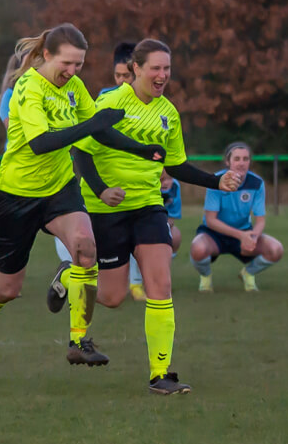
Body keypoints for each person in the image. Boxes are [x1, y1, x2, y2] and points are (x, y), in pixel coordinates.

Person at [0, 23, 164, 369]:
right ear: (46, 55)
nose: (72, 72)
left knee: (86, 247)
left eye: (79, 65)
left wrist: (142, 149)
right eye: (66, 64)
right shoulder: (28, 87)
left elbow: (98, 131)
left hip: (60, 188)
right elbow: (42, 144)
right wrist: (96, 123)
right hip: (18, 195)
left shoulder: (74, 87)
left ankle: (78, 341)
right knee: (8, 288)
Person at [72, 39, 242, 394]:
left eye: (167, 69)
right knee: (112, 297)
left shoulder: (168, 112)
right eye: (155, 68)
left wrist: (216, 181)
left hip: (149, 206)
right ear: (135, 69)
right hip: (106, 209)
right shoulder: (110, 103)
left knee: (160, 285)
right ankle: (70, 278)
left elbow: (175, 164)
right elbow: (81, 152)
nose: (162, 75)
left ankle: (160, 374)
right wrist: (102, 190)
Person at [0, 49, 75, 312]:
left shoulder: (66, 89)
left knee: (78, 237)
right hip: (21, 183)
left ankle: (65, 273)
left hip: (57, 179)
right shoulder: (15, 94)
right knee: (8, 287)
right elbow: (27, 133)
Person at [189, 142, 283, 292]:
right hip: (214, 234)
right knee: (197, 248)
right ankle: (205, 278)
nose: (241, 163)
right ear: (228, 162)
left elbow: (260, 220)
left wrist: (253, 237)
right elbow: (211, 220)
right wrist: (241, 236)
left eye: (245, 159)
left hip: (244, 232)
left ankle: (248, 274)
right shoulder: (216, 181)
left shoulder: (257, 183)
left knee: (276, 249)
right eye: (237, 159)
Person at [128, 169, 182, 300]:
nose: (166, 183)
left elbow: (172, 216)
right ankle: (135, 284)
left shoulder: (175, 187)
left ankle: (157, 277)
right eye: (162, 179)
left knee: (174, 236)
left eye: (169, 179)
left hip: (160, 222)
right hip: (136, 223)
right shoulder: (144, 185)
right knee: (139, 242)